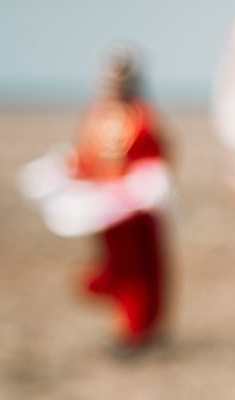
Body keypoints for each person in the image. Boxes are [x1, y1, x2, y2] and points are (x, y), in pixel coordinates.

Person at [69, 47, 169, 350]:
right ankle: (125, 325)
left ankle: (138, 331)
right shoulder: (97, 117)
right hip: (106, 208)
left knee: (141, 272)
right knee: (117, 268)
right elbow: (87, 156)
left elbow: (155, 159)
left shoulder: (142, 118)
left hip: (135, 209)